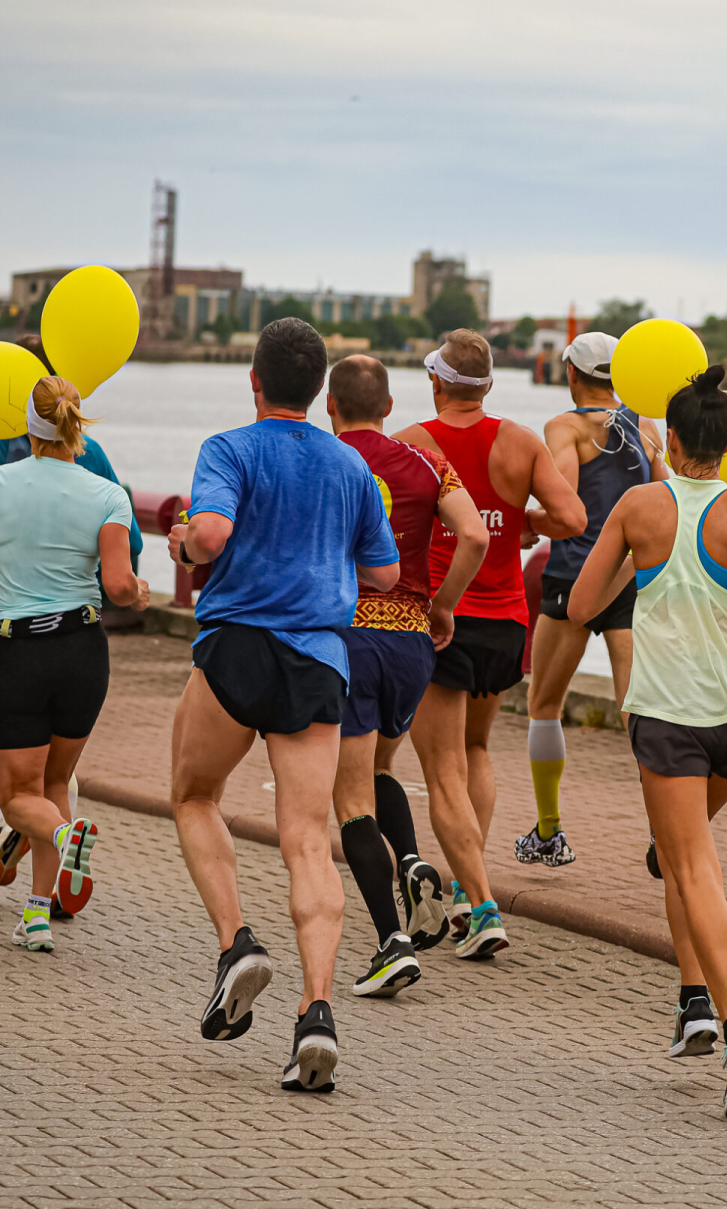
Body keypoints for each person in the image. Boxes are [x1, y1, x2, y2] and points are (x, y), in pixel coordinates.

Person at [569, 364, 727, 1118]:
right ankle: (693, 1003)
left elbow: (581, 604)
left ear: (671, 442)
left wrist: (642, 566)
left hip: (670, 717)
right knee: (683, 855)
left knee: (692, 867)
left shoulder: (640, 506)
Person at [169, 318, 399, 1092]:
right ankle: (317, 1011)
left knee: (194, 794)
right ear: (320, 390)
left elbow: (209, 535)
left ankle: (237, 943)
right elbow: (386, 574)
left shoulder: (229, 449)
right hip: (318, 660)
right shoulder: (350, 465)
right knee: (306, 837)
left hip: (238, 648)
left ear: (255, 380)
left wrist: (186, 542)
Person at [0, 333, 142, 918]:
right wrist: (134, 586)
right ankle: (39, 912)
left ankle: (57, 834)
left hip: (16, 639)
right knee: (56, 777)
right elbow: (123, 574)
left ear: (27, 419)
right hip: (85, 645)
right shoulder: (106, 486)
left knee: (14, 782)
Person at [392, 331, 585, 960]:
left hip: (440, 617)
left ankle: (480, 906)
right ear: (490, 384)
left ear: (436, 381)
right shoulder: (522, 442)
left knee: (441, 770)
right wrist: (521, 521)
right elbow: (574, 519)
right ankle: (462, 888)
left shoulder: (413, 443)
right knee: (475, 749)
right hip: (505, 621)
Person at [323, 355, 490, 996]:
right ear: (389, 407)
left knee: (350, 801)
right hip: (412, 644)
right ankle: (414, 861)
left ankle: (391, 945)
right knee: (378, 768)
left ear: (330, 406)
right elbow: (474, 536)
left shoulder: (326, 458)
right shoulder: (427, 461)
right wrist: (443, 605)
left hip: (349, 639)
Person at [519, 332, 668, 869]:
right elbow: (665, 496)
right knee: (637, 712)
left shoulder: (565, 427)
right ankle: (663, 831)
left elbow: (563, 506)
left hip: (574, 576)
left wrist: (526, 523)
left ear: (571, 374)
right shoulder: (646, 425)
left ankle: (549, 832)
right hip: (629, 576)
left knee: (544, 704)